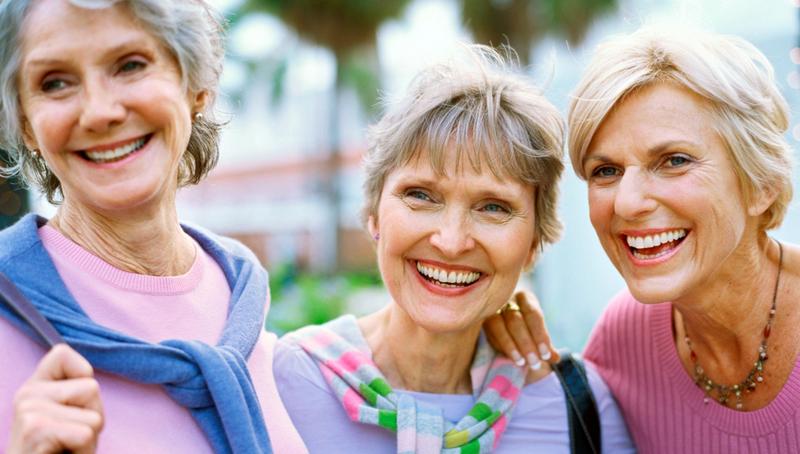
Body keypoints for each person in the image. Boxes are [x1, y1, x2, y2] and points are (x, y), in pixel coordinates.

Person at [272, 45, 634, 453]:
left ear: (534, 243)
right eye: (421, 196)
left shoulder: (580, 408)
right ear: (374, 215)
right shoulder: (284, 384)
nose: (451, 240)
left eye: (493, 207)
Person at [0, 0, 305, 452]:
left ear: (195, 87)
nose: (100, 111)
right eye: (56, 82)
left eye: (130, 65)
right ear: (26, 124)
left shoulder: (241, 291)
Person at [486, 26, 800, 453]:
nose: (628, 203)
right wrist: (490, 305)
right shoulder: (622, 340)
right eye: (606, 171)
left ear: (761, 183)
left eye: (673, 161)